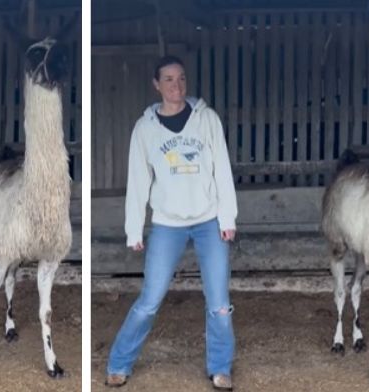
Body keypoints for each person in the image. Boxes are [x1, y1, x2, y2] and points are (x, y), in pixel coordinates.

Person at [105, 55, 238, 390]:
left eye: (180, 78)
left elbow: (221, 169)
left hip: (208, 221)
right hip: (167, 222)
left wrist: (227, 217)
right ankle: (119, 363)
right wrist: (134, 228)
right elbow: (138, 180)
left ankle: (220, 368)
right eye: (168, 79)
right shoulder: (145, 128)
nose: (176, 85)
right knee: (149, 300)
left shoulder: (206, 119)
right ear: (156, 84)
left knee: (219, 303)